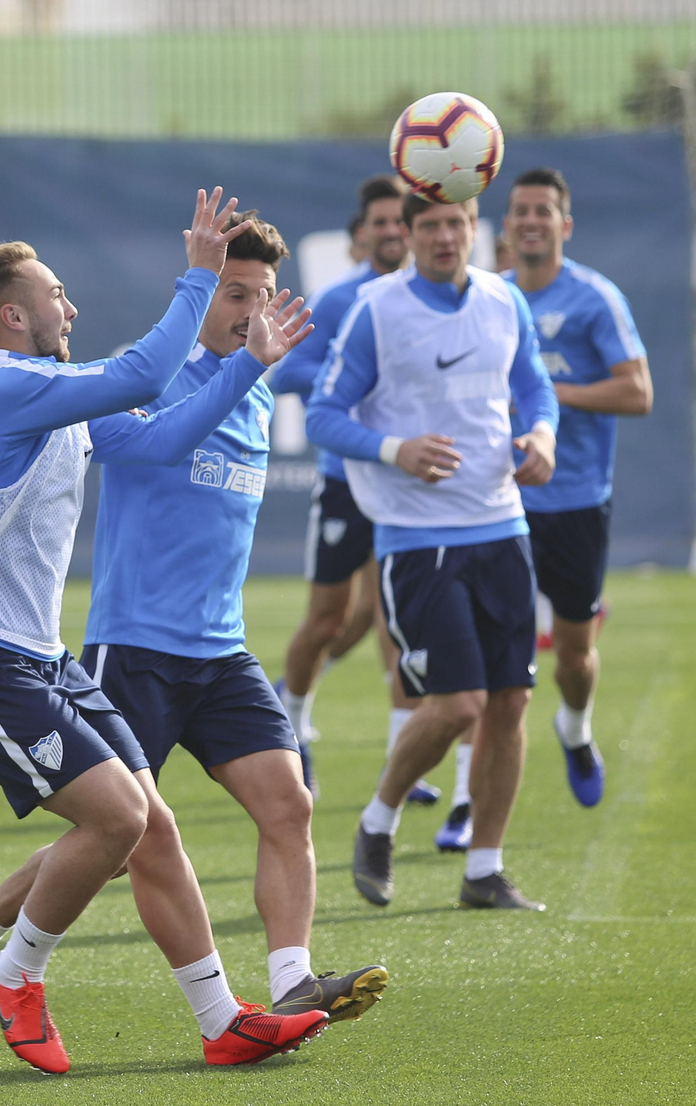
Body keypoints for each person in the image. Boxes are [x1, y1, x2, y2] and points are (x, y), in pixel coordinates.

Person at [0, 191, 328, 1076]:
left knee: (148, 829)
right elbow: (144, 379)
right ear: (15, 314)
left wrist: (248, 365)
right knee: (119, 821)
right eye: (57, 295)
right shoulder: (6, 383)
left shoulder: (57, 392)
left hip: (44, 656)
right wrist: (197, 276)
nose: (73, 307)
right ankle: (12, 972)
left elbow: (156, 439)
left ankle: (223, 1022)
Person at [65, 213, 385, 1021]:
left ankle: (291, 981)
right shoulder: (139, 377)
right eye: (234, 291)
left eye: (264, 294)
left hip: (221, 654)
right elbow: (151, 447)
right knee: (110, 846)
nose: (252, 309)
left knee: (290, 803)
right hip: (133, 651)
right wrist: (244, 366)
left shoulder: (258, 380)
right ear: (203, 291)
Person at [306, 191, 559, 912]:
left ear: (474, 230)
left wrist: (540, 436)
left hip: (502, 528)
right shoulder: (378, 311)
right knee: (458, 704)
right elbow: (323, 414)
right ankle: (378, 818)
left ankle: (484, 867)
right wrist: (397, 450)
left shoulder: (503, 301)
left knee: (509, 702)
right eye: (431, 226)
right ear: (408, 235)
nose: (447, 237)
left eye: (458, 223)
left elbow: (535, 388)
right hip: (418, 541)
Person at [270, 175, 440, 803]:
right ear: (360, 235)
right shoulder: (341, 300)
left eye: (402, 221)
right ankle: (291, 719)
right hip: (347, 480)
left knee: (397, 621)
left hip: (406, 485)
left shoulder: (429, 298)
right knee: (327, 617)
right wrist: (352, 387)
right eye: (381, 223)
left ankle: (405, 760)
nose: (393, 231)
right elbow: (291, 372)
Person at [492, 166, 650, 814]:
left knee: (574, 659)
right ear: (506, 226)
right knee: (496, 670)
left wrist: (548, 397)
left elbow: (638, 392)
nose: (531, 220)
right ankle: (475, 807)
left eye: (543, 211)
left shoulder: (594, 297)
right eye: (521, 210)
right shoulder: (488, 297)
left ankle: (576, 730)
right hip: (498, 502)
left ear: (565, 225)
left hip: (577, 499)